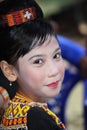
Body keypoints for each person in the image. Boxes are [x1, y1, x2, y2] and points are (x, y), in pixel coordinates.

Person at [0, 0, 66, 129]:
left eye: (56, 55)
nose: (54, 71)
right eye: (38, 61)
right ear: (9, 71)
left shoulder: (18, 111)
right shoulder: (36, 119)